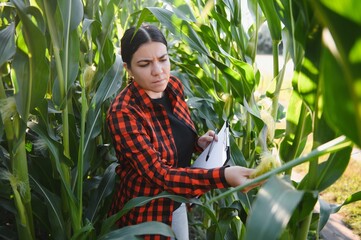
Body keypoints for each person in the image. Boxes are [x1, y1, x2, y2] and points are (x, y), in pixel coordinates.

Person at [106, 24, 259, 240]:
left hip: (177, 202)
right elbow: (160, 174)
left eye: (163, 59)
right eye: (144, 64)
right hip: (147, 214)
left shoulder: (173, 87)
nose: (158, 71)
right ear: (128, 68)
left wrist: (198, 144)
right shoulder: (124, 113)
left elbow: (172, 138)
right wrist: (224, 176)